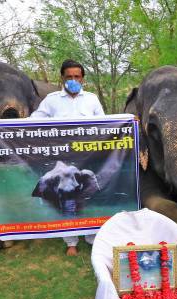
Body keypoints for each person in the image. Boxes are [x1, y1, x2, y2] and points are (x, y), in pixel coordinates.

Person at [30, 59, 104, 256]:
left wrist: (129, 122)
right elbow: (33, 122)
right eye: (69, 76)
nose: (73, 80)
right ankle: (70, 241)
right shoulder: (51, 100)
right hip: (61, 156)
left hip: (87, 156)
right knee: (65, 201)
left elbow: (105, 125)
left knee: (84, 199)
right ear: (62, 78)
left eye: (77, 77)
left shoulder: (92, 99)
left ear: (82, 79)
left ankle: (92, 237)